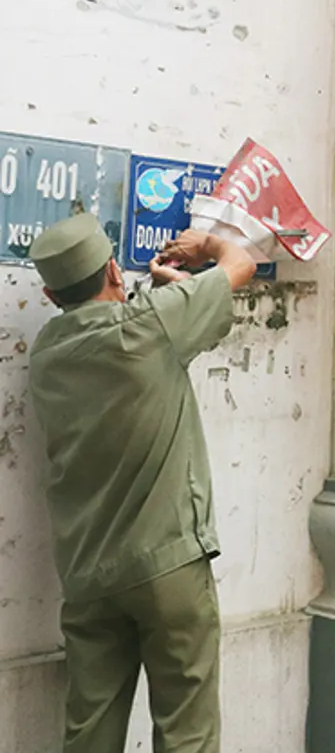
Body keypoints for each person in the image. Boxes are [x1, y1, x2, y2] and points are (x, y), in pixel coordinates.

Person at [27, 215, 256, 753]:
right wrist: (206, 245)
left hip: (88, 573)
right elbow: (239, 265)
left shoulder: (44, 356)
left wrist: (159, 303)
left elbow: (110, 335)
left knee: (89, 731)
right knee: (186, 730)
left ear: (48, 292)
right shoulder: (153, 324)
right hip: (167, 564)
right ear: (114, 268)